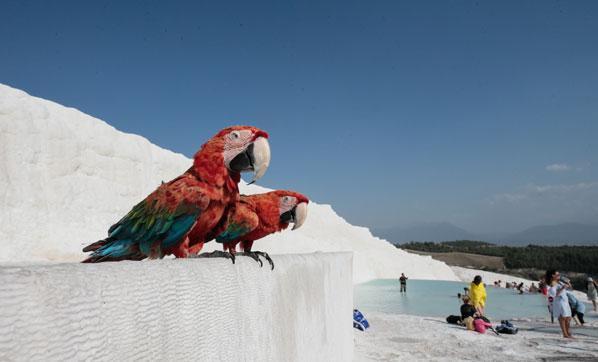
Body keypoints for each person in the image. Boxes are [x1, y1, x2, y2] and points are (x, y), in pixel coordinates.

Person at [545, 270, 573, 338]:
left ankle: (568, 332)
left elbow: (571, 289)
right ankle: (565, 333)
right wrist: (563, 288)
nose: (559, 276)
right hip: (559, 301)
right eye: (557, 275)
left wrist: (568, 283)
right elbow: (554, 295)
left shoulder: (559, 282)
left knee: (568, 317)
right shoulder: (552, 284)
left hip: (565, 300)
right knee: (562, 317)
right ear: (553, 275)